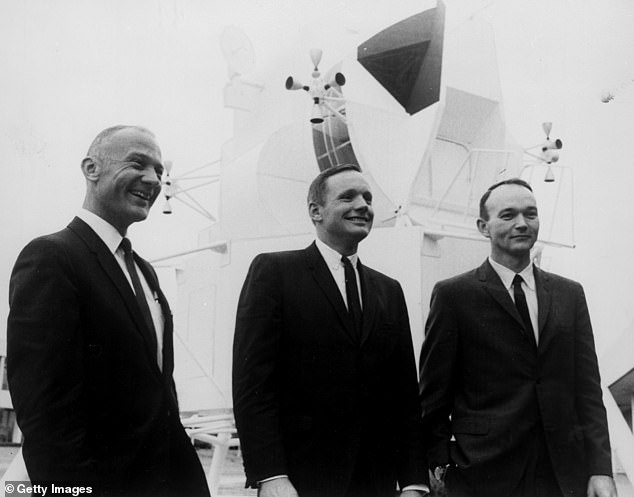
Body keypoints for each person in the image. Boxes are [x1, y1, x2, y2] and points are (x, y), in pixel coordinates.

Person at [7, 125, 210, 497]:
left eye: (160, 172)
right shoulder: (52, 258)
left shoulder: (144, 271)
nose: (153, 179)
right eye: (138, 163)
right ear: (91, 169)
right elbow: (46, 417)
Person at [232, 164, 429, 497]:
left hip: (375, 481)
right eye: (348, 196)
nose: (363, 205)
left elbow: (403, 394)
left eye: (367, 198)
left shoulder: (388, 290)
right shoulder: (275, 272)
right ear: (316, 210)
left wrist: (413, 481)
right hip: (301, 479)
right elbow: (253, 384)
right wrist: (270, 475)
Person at [418, 178, 617, 497]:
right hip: (483, 474)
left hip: (562, 473)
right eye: (508, 215)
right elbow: (434, 397)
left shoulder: (569, 294)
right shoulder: (453, 295)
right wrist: (438, 468)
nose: (522, 223)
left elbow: (587, 390)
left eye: (531, 214)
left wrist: (600, 469)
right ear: (484, 226)